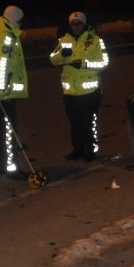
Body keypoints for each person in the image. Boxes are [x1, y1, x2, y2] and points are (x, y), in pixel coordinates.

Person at [49, 11, 110, 162]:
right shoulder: (63, 40)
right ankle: (77, 150)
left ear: (84, 24)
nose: (76, 26)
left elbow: (104, 63)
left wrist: (84, 64)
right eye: (73, 24)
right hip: (70, 91)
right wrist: (62, 54)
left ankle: (91, 150)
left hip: (89, 91)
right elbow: (52, 60)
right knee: (75, 124)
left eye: (79, 23)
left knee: (89, 122)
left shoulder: (95, 40)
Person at [0, 5, 29, 178]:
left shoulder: (2, 32)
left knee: (3, 129)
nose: (21, 23)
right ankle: (11, 168)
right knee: (8, 130)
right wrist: (1, 88)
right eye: (19, 20)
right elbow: (1, 65)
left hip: (3, 90)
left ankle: (2, 163)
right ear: (14, 19)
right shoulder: (6, 36)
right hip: (5, 92)